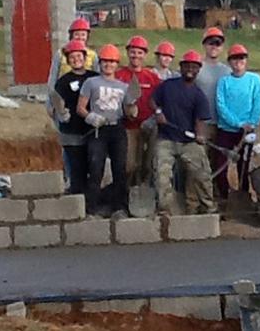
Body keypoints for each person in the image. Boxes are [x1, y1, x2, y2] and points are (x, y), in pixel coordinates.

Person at [151, 50, 217, 215]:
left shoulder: (199, 95)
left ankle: (208, 205)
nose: (190, 69)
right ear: (180, 67)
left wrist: (199, 136)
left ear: (198, 70)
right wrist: (158, 112)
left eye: (194, 67)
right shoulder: (168, 86)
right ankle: (165, 209)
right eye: (187, 65)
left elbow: (200, 120)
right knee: (162, 174)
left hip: (189, 142)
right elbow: (152, 100)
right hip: (165, 139)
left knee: (202, 173)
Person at [77, 44, 137, 217]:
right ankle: (93, 208)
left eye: (112, 62)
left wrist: (133, 111)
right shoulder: (91, 82)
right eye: (105, 61)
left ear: (117, 64)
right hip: (98, 129)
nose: (108, 65)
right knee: (96, 168)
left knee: (120, 169)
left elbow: (128, 111)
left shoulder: (123, 86)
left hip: (117, 128)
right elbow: (81, 107)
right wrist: (90, 117)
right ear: (100, 63)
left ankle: (120, 208)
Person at [215, 43, 260, 199]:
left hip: (247, 131)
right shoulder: (224, 82)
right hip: (226, 130)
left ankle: (244, 196)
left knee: (243, 166)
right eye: (234, 59)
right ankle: (224, 196)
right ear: (229, 62)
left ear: (246, 60)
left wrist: (251, 123)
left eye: (241, 58)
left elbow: (257, 104)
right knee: (221, 166)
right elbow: (221, 105)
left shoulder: (254, 80)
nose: (238, 62)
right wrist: (237, 123)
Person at [53, 40, 98, 196]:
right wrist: (61, 114)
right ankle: (77, 204)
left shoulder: (94, 78)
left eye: (79, 56)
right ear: (68, 60)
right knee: (77, 169)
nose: (76, 59)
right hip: (71, 132)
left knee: (94, 167)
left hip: (92, 132)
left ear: (85, 57)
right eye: (72, 57)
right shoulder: (63, 82)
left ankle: (93, 200)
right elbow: (57, 102)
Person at [116, 36, 161, 187]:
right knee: (129, 165)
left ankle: (145, 190)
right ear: (127, 53)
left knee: (149, 164)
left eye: (140, 53)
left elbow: (161, 101)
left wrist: (154, 118)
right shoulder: (119, 76)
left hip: (149, 127)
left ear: (145, 55)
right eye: (133, 52)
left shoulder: (152, 77)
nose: (136, 55)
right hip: (128, 128)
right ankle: (127, 192)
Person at [195, 27, 232, 195]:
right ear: (204, 45)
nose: (214, 46)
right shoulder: (197, 68)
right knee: (200, 164)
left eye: (217, 43)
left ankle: (218, 197)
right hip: (202, 123)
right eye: (210, 43)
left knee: (220, 165)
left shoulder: (227, 71)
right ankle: (201, 197)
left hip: (223, 125)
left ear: (222, 47)